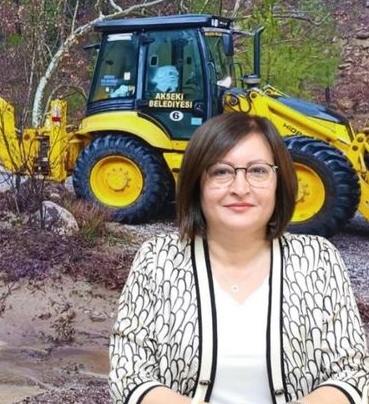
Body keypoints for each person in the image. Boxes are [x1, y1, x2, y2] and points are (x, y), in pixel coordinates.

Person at [109, 112, 368, 404]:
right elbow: (129, 375)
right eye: (221, 171)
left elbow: (352, 373)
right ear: (197, 183)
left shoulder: (317, 260)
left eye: (258, 171)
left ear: (278, 181)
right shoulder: (158, 260)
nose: (240, 188)